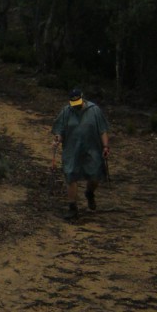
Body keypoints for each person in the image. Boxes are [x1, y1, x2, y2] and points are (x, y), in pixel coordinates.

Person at [52, 88, 110, 220]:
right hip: (72, 149)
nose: (76, 105)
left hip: (92, 148)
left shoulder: (94, 110)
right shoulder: (66, 112)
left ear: (83, 98)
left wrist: (105, 146)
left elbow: (103, 130)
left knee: (95, 174)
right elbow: (59, 131)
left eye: (78, 101)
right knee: (71, 175)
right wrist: (57, 139)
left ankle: (89, 193)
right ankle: (72, 207)